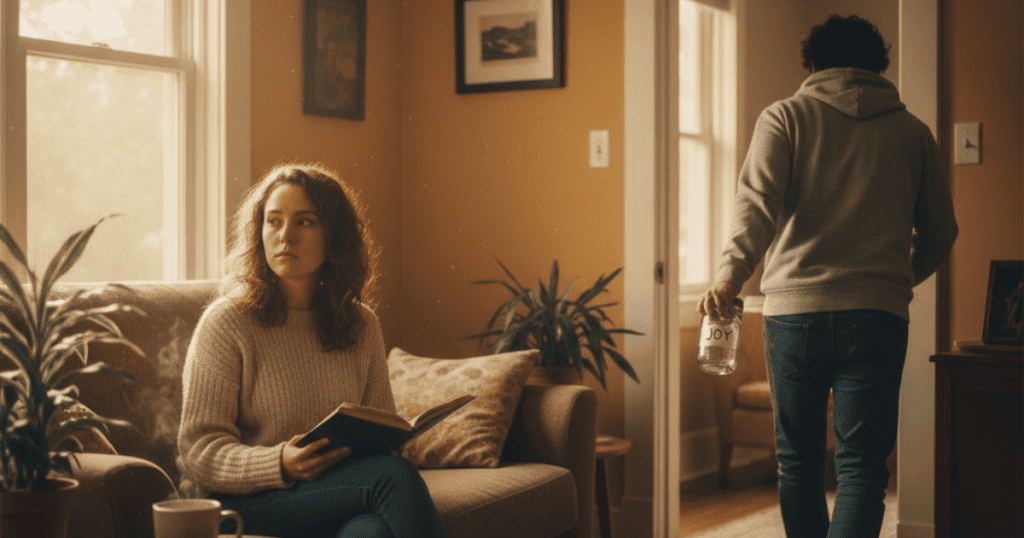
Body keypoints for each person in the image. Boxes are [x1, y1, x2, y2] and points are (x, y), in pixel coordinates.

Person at [697, 14, 958, 538]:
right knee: (862, 465)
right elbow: (941, 232)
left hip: (795, 316)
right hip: (877, 314)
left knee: (797, 460)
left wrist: (730, 275)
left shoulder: (785, 117)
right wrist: (895, 279)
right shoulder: (912, 132)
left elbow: (755, 209)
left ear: (812, 63)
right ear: (878, 64)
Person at [177, 164, 448, 538]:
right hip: (252, 500)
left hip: (335, 494)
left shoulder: (361, 324)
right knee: (394, 478)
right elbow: (199, 450)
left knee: (371, 533)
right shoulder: (227, 322)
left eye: (304, 222)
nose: (285, 236)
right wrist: (281, 463)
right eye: (273, 222)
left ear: (333, 237)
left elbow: (381, 430)